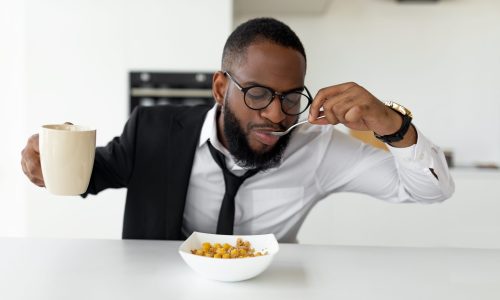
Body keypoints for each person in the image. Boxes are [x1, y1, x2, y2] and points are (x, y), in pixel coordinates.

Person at [21, 17, 454, 242]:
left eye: (290, 97)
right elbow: (94, 173)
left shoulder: (318, 148)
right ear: (220, 87)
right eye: (259, 94)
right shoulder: (153, 129)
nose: (276, 114)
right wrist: (48, 164)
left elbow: (431, 190)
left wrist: (391, 125)